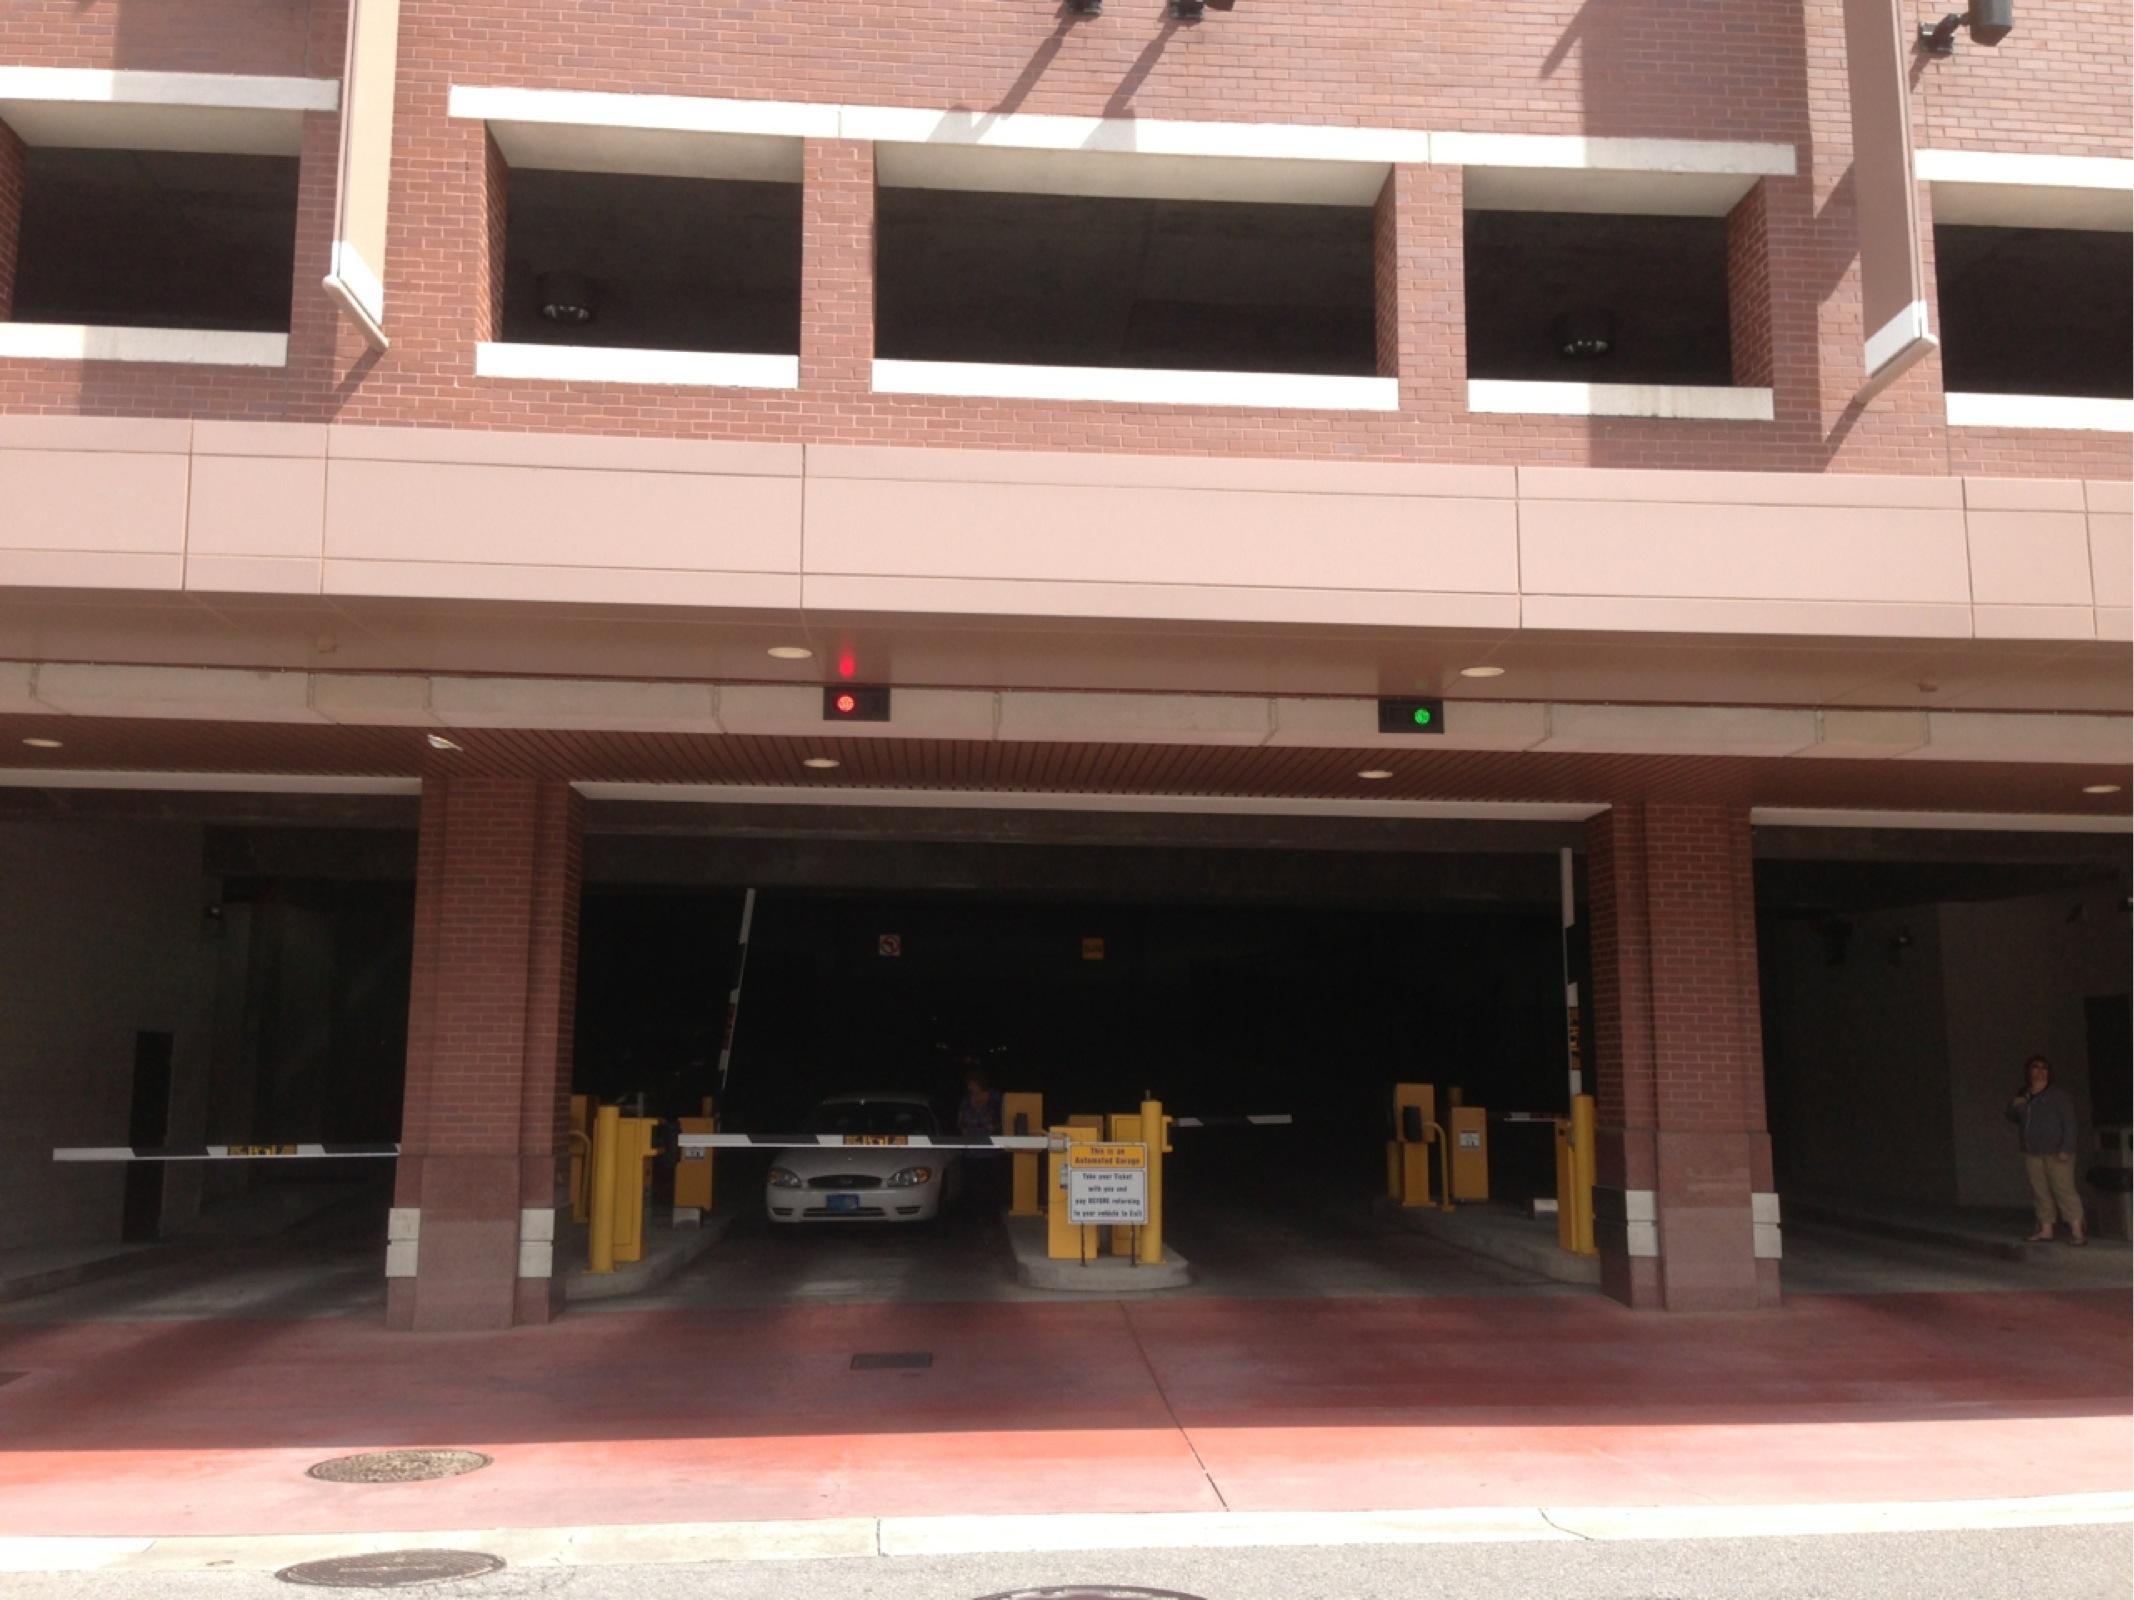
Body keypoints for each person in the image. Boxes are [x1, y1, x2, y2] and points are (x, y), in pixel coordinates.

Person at [2008, 1055, 2085, 1245]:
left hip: (2056, 1151)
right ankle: (2046, 1230)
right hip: (2032, 1151)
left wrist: (2066, 1147)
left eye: (2044, 1068)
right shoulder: (2025, 1094)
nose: (2040, 1071)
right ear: (2029, 1071)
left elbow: (2070, 1123)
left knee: (2064, 1190)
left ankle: (2077, 1231)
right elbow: (2013, 1116)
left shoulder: (2058, 1095)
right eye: (2036, 1067)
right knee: (2040, 1192)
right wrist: (2015, 1105)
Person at [955, 1067, 1006, 1214]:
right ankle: (975, 1211)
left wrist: (994, 1127)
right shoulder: (966, 1100)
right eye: (968, 1084)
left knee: (990, 1181)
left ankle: (992, 1211)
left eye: (971, 1083)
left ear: (979, 1082)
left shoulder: (996, 1098)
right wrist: (963, 1129)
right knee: (973, 1181)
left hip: (991, 1150)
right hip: (971, 1150)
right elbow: (960, 1120)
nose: (969, 1087)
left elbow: (1005, 1118)